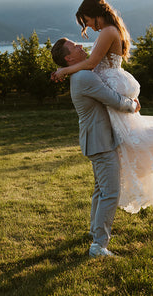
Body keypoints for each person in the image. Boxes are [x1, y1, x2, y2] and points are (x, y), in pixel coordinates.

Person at [52, 0, 153, 214]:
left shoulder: (108, 31)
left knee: (131, 138)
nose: (88, 26)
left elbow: (91, 64)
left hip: (111, 81)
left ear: (95, 13)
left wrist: (64, 70)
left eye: (87, 21)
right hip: (112, 80)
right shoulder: (110, 29)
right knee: (129, 137)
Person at [51, 37, 141, 258]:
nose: (81, 46)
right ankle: (99, 246)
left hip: (96, 140)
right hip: (99, 142)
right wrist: (133, 105)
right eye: (75, 46)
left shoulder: (80, 74)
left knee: (101, 189)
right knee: (110, 192)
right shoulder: (83, 77)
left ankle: (94, 231)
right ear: (68, 58)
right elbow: (113, 99)